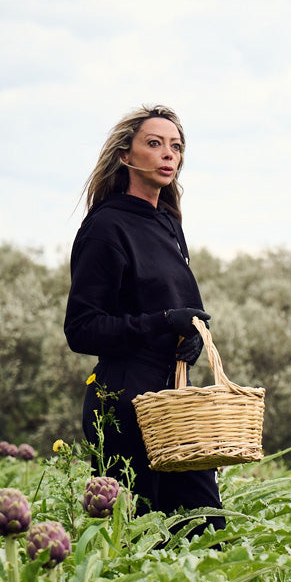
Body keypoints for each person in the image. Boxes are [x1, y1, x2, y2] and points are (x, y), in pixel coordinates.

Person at [64, 104, 225, 531]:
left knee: (204, 530)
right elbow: (81, 329)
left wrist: (188, 337)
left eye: (175, 146)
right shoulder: (106, 227)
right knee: (139, 542)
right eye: (154, 144)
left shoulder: (169, 223)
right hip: (122, 403)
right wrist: (162, 322)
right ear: (126, 156)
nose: (167, 154)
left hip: (173, 401)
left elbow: (171, 307)